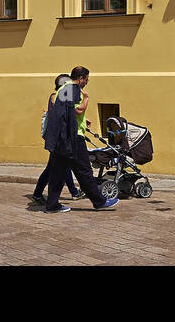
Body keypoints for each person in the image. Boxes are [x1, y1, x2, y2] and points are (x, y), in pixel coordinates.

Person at [42, 66, 118, 213]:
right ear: (81, 78)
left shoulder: (61, 90)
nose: (86, 83)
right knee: (84, 171)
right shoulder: (74, 89)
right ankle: (99, 202)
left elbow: (66, 111)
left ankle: (52, 205)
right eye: (86, 80)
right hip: (73, 138)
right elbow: (77, 110)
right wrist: (86, 99)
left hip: (59, 139)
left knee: (57, 173)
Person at [31, 75, 82, 204]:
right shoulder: (58, 96)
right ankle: (73, 192)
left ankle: (39, 193)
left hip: (57, 137)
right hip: (59, 137)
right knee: (60, 166)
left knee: (55, 167)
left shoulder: (56, 96)